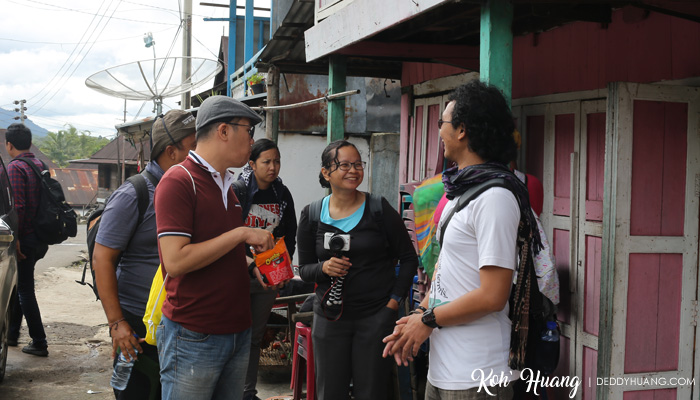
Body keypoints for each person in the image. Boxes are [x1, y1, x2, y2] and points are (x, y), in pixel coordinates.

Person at [382, 81, 541, 399]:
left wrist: (427, 319)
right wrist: (418, 316)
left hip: (478, 373)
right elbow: (447, 271)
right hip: (445, 368)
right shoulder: (461, 190)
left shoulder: (495, 196)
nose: (438, 130)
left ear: (462, 130)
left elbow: (492, 296)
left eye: (442, 122)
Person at [154, 96, 274, 400]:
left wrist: (249, 263)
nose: (252, 141)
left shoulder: (229, 186)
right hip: (195, 334)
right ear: (223, 130)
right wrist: (241, 234)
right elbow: (176, 260)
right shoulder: (179, 181)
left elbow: (219, 248)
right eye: (248, 131)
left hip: (236, 329)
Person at [296, 140, 418, 400]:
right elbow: (304, 269)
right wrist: (324, 268)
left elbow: (409, 258)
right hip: (329, 320)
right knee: (330, 392)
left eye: (358, 164)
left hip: (374, 318)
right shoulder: (312, 215)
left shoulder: (378, 209)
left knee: (372, 392)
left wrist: (393, 304)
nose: (353, 170)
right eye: (344, 165)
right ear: (326, 172)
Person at [92, 109, 197, 400]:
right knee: (138, 392)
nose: (201, 155)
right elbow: (102, 259)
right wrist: (117, 324)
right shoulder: (134, 194)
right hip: (137, 321)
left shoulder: (192, 190)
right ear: (171, 152)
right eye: (194, 148)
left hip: (177, 321)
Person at [234, 139, 297, 400]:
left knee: (253, 336)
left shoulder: (281, 195)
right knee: (232, 336)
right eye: (266, 162)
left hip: (267, 280)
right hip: (236, 276)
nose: (273, 167)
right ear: (252, 164)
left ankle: (247, 393)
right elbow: (228, 235)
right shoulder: (237, 192)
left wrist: (282, 271)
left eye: (277, 161)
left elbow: (289, 236)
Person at [6, 123, 50, 357]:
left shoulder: (15, 167)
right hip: (41, 237)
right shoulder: (39, 164)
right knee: (20, 285)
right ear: (30, 143)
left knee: (24, 289)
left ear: (9, 145)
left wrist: (17, 239)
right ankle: (12, 333)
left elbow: (18, 208)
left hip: (26, 238)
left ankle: (39, 341)